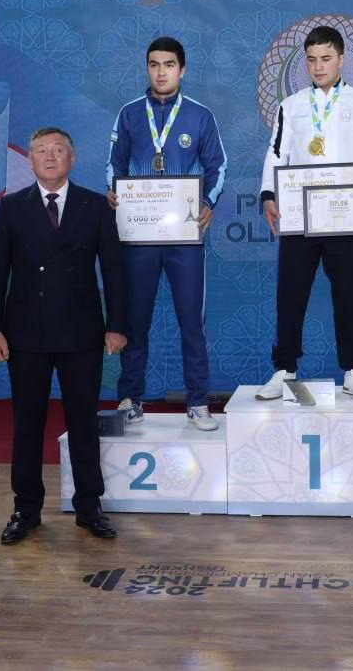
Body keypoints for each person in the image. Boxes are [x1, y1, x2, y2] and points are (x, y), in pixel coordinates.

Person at [0, 127, 127, 543]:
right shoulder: (11, 207)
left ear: (72, 158)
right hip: (25, 334)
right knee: (27, 423)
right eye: (41, 151)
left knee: (83, 421)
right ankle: (26, 508)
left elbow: (114, 271)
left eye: (58, 150)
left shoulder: (95, 206)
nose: (50, 157)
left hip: (82, 332)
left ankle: (89, 505)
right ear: (29, 160)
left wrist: (117, 324)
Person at [257, 25, 353, 401]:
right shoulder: (290, 106)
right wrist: (268, 194)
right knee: (290, 294)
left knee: (351, 295)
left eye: (326, 59)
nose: (318, 67)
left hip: (345, 215)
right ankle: (284, 369)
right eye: (312, 60)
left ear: (342, 59)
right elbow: (276, 152)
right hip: (299, 216)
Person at [106, 37, 227, 432]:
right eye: (154, 64)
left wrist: (207, 201)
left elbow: (218, 165)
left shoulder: (200, 116)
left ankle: (198, 401)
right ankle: (131, 398)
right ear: (147, 68)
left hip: (184, 237)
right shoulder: (129, 114)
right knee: (134, 319)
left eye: (169, 65)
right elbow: (114, 164)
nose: (161, 72)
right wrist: (113, 191)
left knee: (191, 321)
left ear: (182, 70)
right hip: (139, 235)